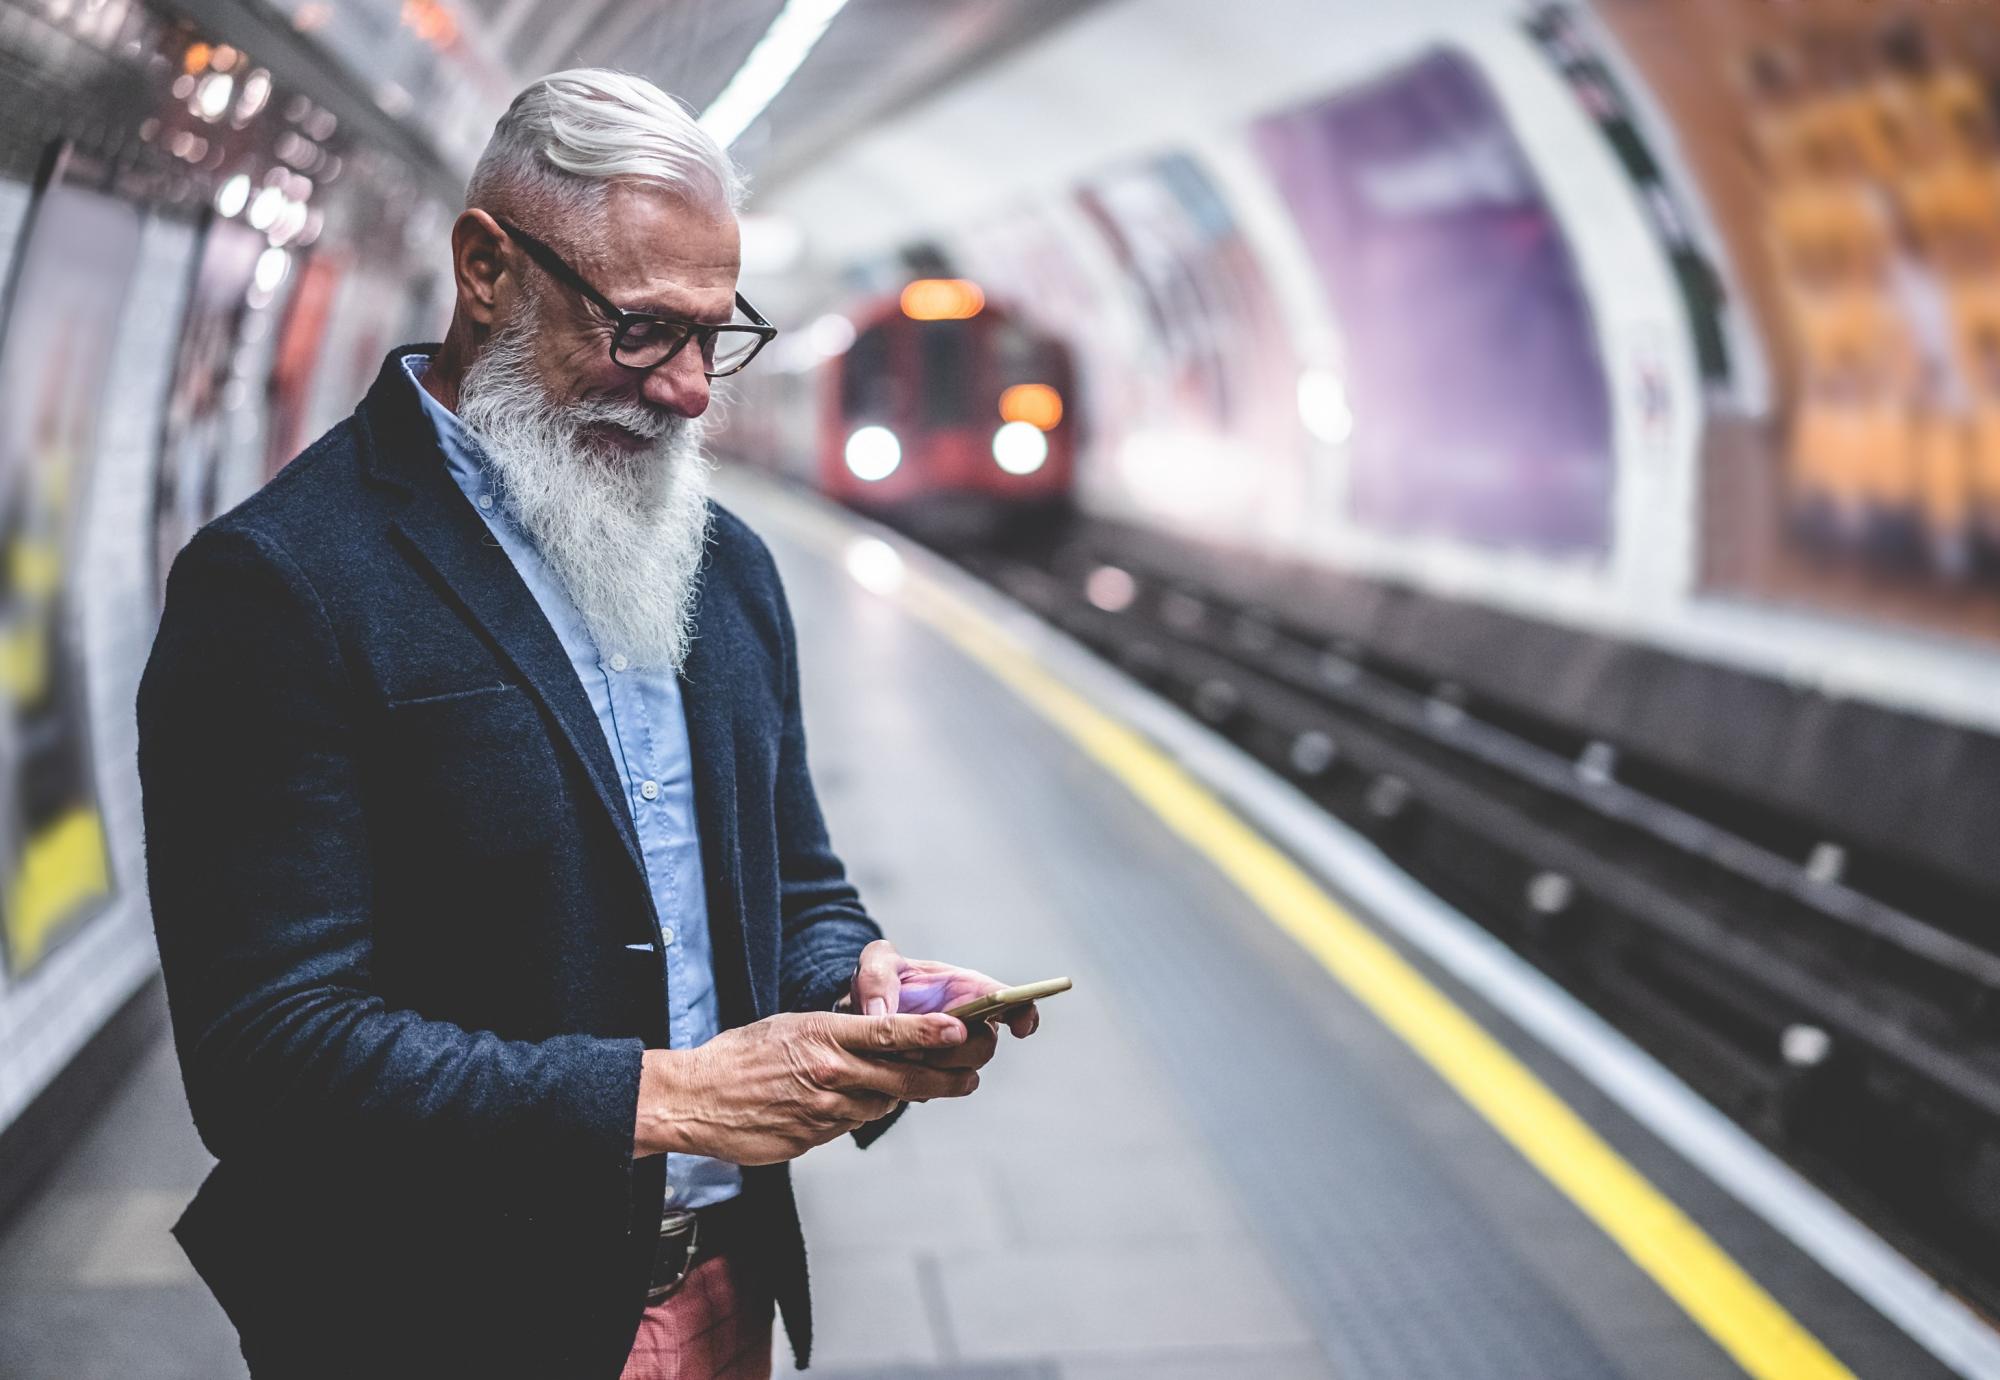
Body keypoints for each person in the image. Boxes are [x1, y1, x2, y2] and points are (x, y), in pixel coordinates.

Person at [136, 68, 1040, 1380]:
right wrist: (669, 1097)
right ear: (486, 267)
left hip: (721, 1294)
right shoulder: (285, 584)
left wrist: (856, 987)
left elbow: (794, 882)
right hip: (434, 1326)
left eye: (715, 337)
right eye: (640, 330)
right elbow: (267, 1055)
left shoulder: (725, 568)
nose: (685, 392)